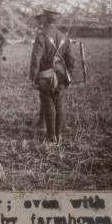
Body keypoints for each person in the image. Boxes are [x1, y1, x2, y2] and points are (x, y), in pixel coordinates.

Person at [29, 9, 75, 144]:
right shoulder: (64, 37)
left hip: (45, 74)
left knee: (48, 103)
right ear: (56, 20)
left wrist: (33, 77)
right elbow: (71, 60)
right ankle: (59, 135)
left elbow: (35, 58)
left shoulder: (42, 36)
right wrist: (69, 76)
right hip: (61, 75)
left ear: (45, 19)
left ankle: (51, 136)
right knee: (59, 103)